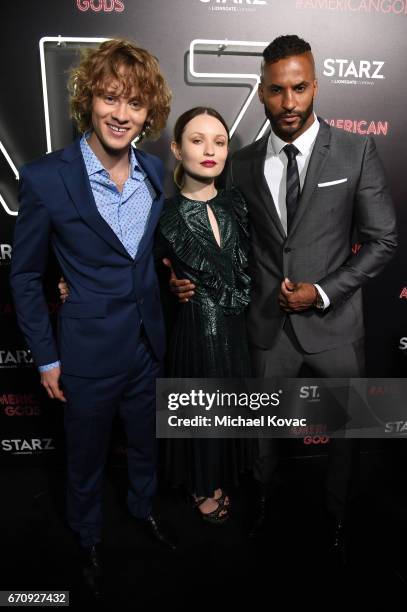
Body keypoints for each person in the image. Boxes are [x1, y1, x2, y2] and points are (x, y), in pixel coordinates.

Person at [173, 35, 397, 556]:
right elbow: (221, 237)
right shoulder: (244, 161)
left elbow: (383, 240)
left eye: (299, 88)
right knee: (261, 439)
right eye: (276, 91)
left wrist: (322, 292)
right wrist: (179, 272)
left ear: (315, 85)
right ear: (263, 91)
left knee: (346, 438)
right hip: (267, 328)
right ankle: (262, 510)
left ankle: (337, 518)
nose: (289, 102)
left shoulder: (354, 148)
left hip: (335, 327)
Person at [10, 38, 174, 598]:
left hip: (147, 345)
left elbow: (146, 257)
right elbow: (26, 276)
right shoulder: (45, 178)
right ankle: (87, 538)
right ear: (89, 99)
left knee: (146, 445)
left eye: (135, 104)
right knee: (84, 456)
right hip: (83, 352)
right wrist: (47, 356)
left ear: (149, 113)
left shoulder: (155, 172)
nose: (122, 115)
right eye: (111, 98)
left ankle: (143, 509)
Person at [157, 107, 252, 523]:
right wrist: (170, 286)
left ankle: (222, 473)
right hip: (194, 329)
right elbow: (146, 278)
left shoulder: (239, 204)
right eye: (197, 141)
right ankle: (200, 483)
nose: (210, 150)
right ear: (177, 150)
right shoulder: (165, 215)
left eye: (219, 141)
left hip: (236, 330)